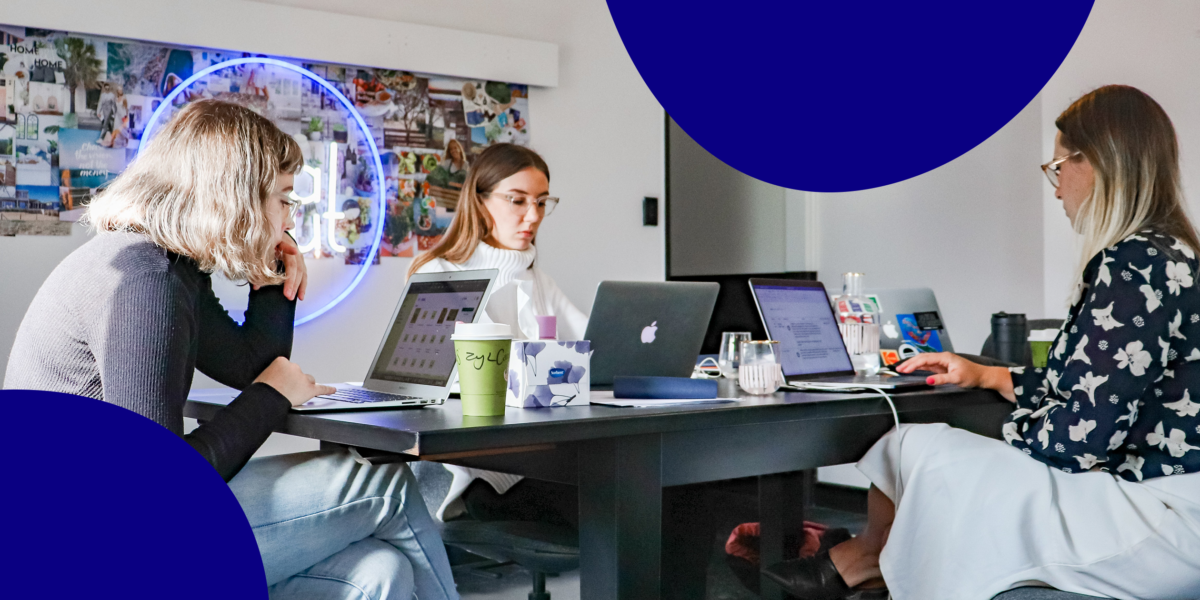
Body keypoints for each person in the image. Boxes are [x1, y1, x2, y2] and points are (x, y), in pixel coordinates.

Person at [4, 100, 459, 600]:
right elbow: (160, 491)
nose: (290, 216)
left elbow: (248, 363)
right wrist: (271, 394)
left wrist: (273, 275)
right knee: (386, 484)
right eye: (284, 199)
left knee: (377, 570)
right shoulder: (146, 279)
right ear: (238, 196)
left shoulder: (162, 264)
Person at [764, 84, 1200, 600]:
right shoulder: (1170, 255)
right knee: (921, 447)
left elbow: (1077, 441)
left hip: (1156, 520)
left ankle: (856, 564)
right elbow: (1100, 384)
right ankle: (863, 563)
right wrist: (987, 375)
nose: (1056, 188)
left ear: (1099, 163)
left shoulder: (1129, 264)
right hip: (1168, 497)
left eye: (1058, 167)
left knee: (920, 444)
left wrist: (1000, 429)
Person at [406, 142, 585, 524]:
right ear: (480, 200)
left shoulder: (536, 278)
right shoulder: (438, 275)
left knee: (672, 489)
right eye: (517, 200)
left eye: (541, 202)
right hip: (480, 470)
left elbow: (591, 345)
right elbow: (473, 378)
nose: (532, 215)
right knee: (637, 496)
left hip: (543, 453)